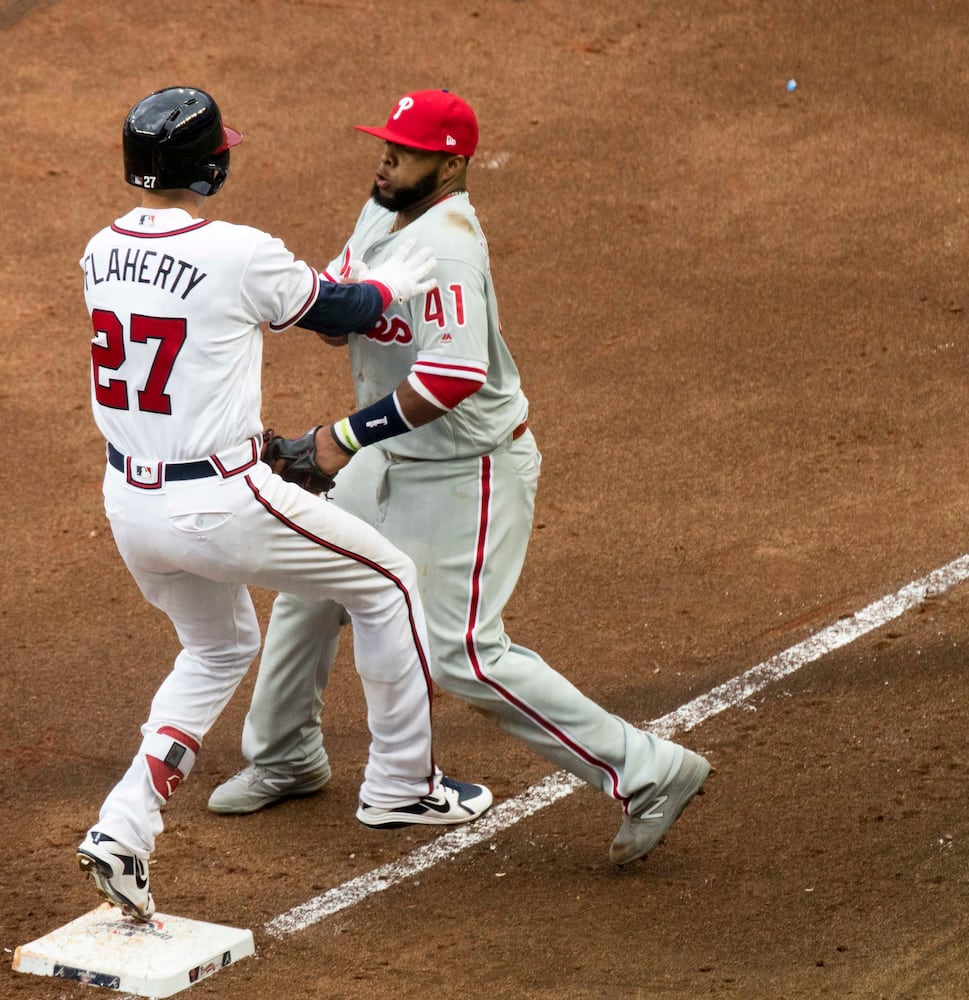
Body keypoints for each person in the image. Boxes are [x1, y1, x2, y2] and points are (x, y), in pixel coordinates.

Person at [208, 89, 710, 865]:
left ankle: (647, 771)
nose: (385, 159)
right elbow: (339, 309)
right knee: (312, 579)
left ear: (451, 164)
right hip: (388, 447)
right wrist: (294, 301)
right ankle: (286, 756)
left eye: (403, 152)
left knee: (460, 653)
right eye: (385, 144)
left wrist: (338, 439)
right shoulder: (385, 213)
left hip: (463, 470)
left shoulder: (449, 247)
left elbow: (452, 376)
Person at [73, 86, 494, 922]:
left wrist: (365, 287)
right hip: (224, 500)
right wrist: (385, 287)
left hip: (129, 502)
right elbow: (332, 310)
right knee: (389, 583)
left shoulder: (96, 250)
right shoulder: (235, 250)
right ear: (212, 165)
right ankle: (403, 786)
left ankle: (125, 824)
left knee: (219, 647)